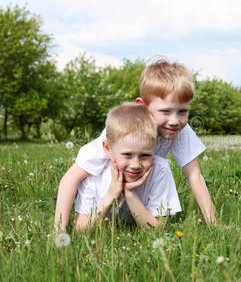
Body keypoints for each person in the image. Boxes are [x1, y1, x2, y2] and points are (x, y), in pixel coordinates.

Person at [54, 58, 215, 232]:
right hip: (100, 183)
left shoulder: (180, 130)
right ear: (143, 106)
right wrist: (58, 231)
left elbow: (195, 176)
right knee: (85, 184)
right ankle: (70, 201)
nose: (175, 121)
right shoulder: (123, 133)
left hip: (135, 180)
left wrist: (214, 224)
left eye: (182, 111)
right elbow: (71, 177)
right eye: (165, 111)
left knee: (158, 167)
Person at [73, 102, 181, 231]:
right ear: (107, 148)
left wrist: (130, 193)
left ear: (155, 147)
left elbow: (157, 229)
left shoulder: (160, 169)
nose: (135, 165)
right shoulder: (94, 172)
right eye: (127, 155)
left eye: (145, 155)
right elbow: (79, 231)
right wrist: (111, 194)